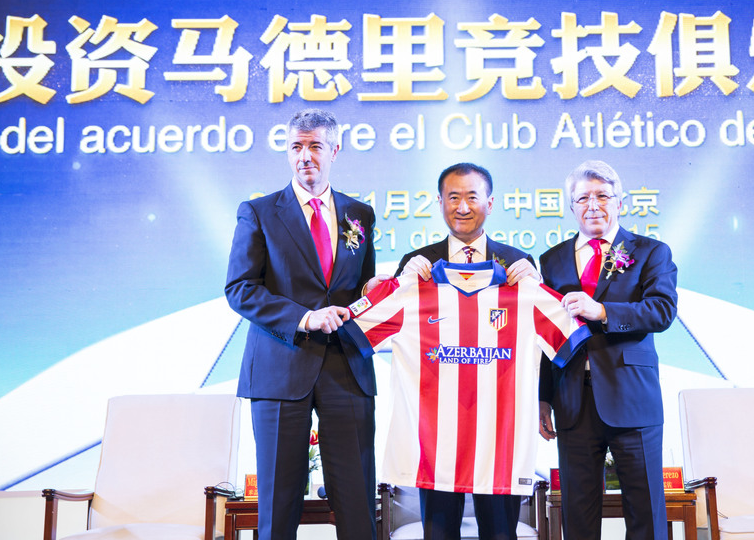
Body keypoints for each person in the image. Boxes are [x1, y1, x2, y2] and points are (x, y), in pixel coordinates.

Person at [225, 108, 378, 540]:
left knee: (357, 501)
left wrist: (377, 291)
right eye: (296, 146)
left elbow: (360, 288)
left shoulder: (359, 214)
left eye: (314, 146)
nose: (304, 156)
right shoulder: (258, 212)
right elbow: (240, 288)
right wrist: (305, 318)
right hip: (279, 367)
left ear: (335, 150)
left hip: (347, 369)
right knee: (278, 505)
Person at [380, 162, 540, 540]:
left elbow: (540, 338)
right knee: (438, 533)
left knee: (501, 533)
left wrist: (543, 400)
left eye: (472, 197)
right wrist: (397, 282)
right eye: (453, 197)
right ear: (439, 203)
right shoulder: (417, 264)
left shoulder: (519, 263)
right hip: (436, 431)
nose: (463, 207)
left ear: (490, 203)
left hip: (499, 428)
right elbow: (387, 322)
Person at [538, 160, 677, 540]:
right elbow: (546, 333)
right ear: (571, 207)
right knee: (578, 517)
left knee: (646, 514)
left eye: (602, 195)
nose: (593, 205)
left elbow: (662, 311)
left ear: (620, 201)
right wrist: (544, 397)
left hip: (632, 397)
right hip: (573, 401)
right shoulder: (552, 259)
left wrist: (601, 311)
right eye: (583, 198)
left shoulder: (650, 252)